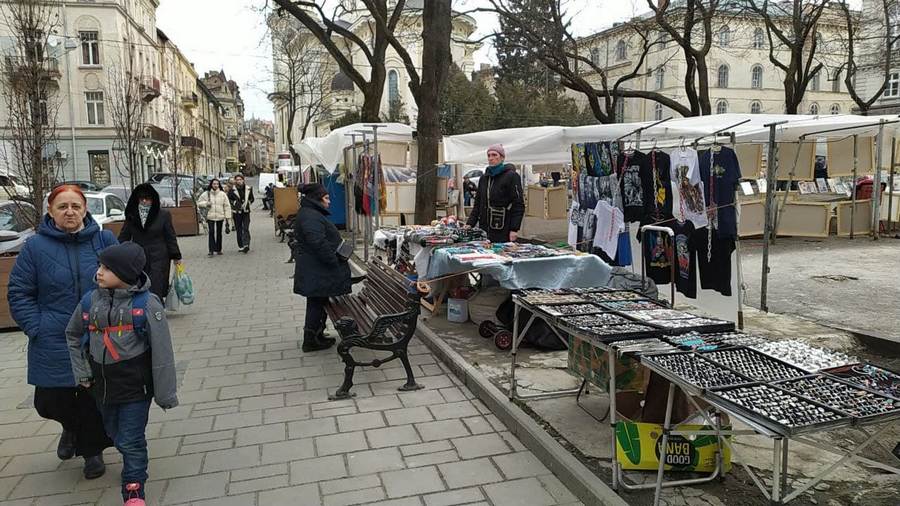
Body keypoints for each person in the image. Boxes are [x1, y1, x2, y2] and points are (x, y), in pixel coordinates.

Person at [7, 185, 116, 480]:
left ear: (84, 210)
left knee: (93, 396)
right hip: (53, 334)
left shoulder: (103, 240)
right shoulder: (35, 247)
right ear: (50, 211)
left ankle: (92, 451)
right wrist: (35, 326)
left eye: (75, 206)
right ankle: (70, 427)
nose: (70, 211)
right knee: (49, 401)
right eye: (62, 206)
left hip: (97, 332)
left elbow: (125, 276)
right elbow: (19, 292)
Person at [66, 242, 178, 506]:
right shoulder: (89, 301)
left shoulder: (147, 305)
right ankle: (131, 459)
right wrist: (82, 373)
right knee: (114, 433)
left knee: (130, 439)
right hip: (101, 387)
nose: (99, 272)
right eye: (99, 266)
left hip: (134, 388)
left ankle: (134, 488)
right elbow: (72, 335)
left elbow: (163, 354)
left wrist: (165, 394)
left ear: (126, 273)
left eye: (107, 268)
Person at [293, 183, 351, 352]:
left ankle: (316, 334)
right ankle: (310, 340)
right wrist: (333, 261)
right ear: (316, 199)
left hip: (315, 269)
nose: (329, 201)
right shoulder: (311, 216)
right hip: (317, 269)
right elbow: (317, 242)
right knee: (316, 303)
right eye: (326, 198)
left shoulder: (311, 213)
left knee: (317, 302)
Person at [118, 184, 182, 302]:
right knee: (141, 281)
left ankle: (156, 305)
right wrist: (116, 253)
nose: (144, 201)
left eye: (147, 199)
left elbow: (170, 236)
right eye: (141, 199)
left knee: (157, 281)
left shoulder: (163, 215)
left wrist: (176, 256)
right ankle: (143, 304)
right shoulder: (132, 216)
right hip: (139, 255)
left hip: (159, 255)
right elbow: (124, 236)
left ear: (153, 199)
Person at [466, 144, 525, 243]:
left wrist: (514, 229)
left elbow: (518, 204)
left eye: (494, 155)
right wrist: (470, 223)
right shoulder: (484, 178)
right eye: (488, 155)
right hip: (484, 228)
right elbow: (478, 204)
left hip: (503, 227)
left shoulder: (511, 176)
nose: (491, 158)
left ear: (502, 158)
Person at [197, 179, 233, 256]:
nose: (215, 185)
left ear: (219, 185)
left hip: (220, 216)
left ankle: (218, 249)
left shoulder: (222, 194)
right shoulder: (206, 194)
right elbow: (199, 203)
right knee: (211, 232)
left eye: (217, 184)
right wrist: (206, 203)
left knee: (219, 233)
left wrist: (227, 217)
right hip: (210, 216)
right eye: (214, 184)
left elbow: (227, 206)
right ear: (211, 184)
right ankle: (211, 250)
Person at [229, 174, 255, 253]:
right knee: (239, 229)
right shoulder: (232, 190)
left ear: (243, 180)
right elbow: (229, 199)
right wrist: (235, 203)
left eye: (240, 179)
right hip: (237, 212)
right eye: (237, 180)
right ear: (235, 181)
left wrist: (248, 203)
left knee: (246, 228)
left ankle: (246, 244)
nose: (239, 181)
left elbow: (252, 198)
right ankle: (241, 245)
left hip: (246, 211)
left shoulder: (248, 189)